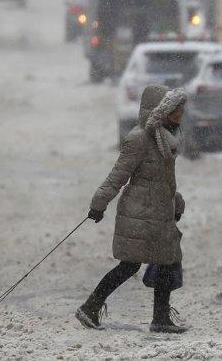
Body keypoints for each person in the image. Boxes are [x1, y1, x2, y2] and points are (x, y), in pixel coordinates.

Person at [77, 86, 188, 334]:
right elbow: (117, 175)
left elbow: (164, 181)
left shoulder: (164, 139)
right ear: (161, 111)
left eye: (182, 108)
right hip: (140, 213)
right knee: (132, 264)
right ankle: (91, 307)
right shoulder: (140, 139)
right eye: (176, 108)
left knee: (167, 261)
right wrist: (99, 203)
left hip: (158, 213)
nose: (181, 112)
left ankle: (159, 318)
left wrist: (176, 204)